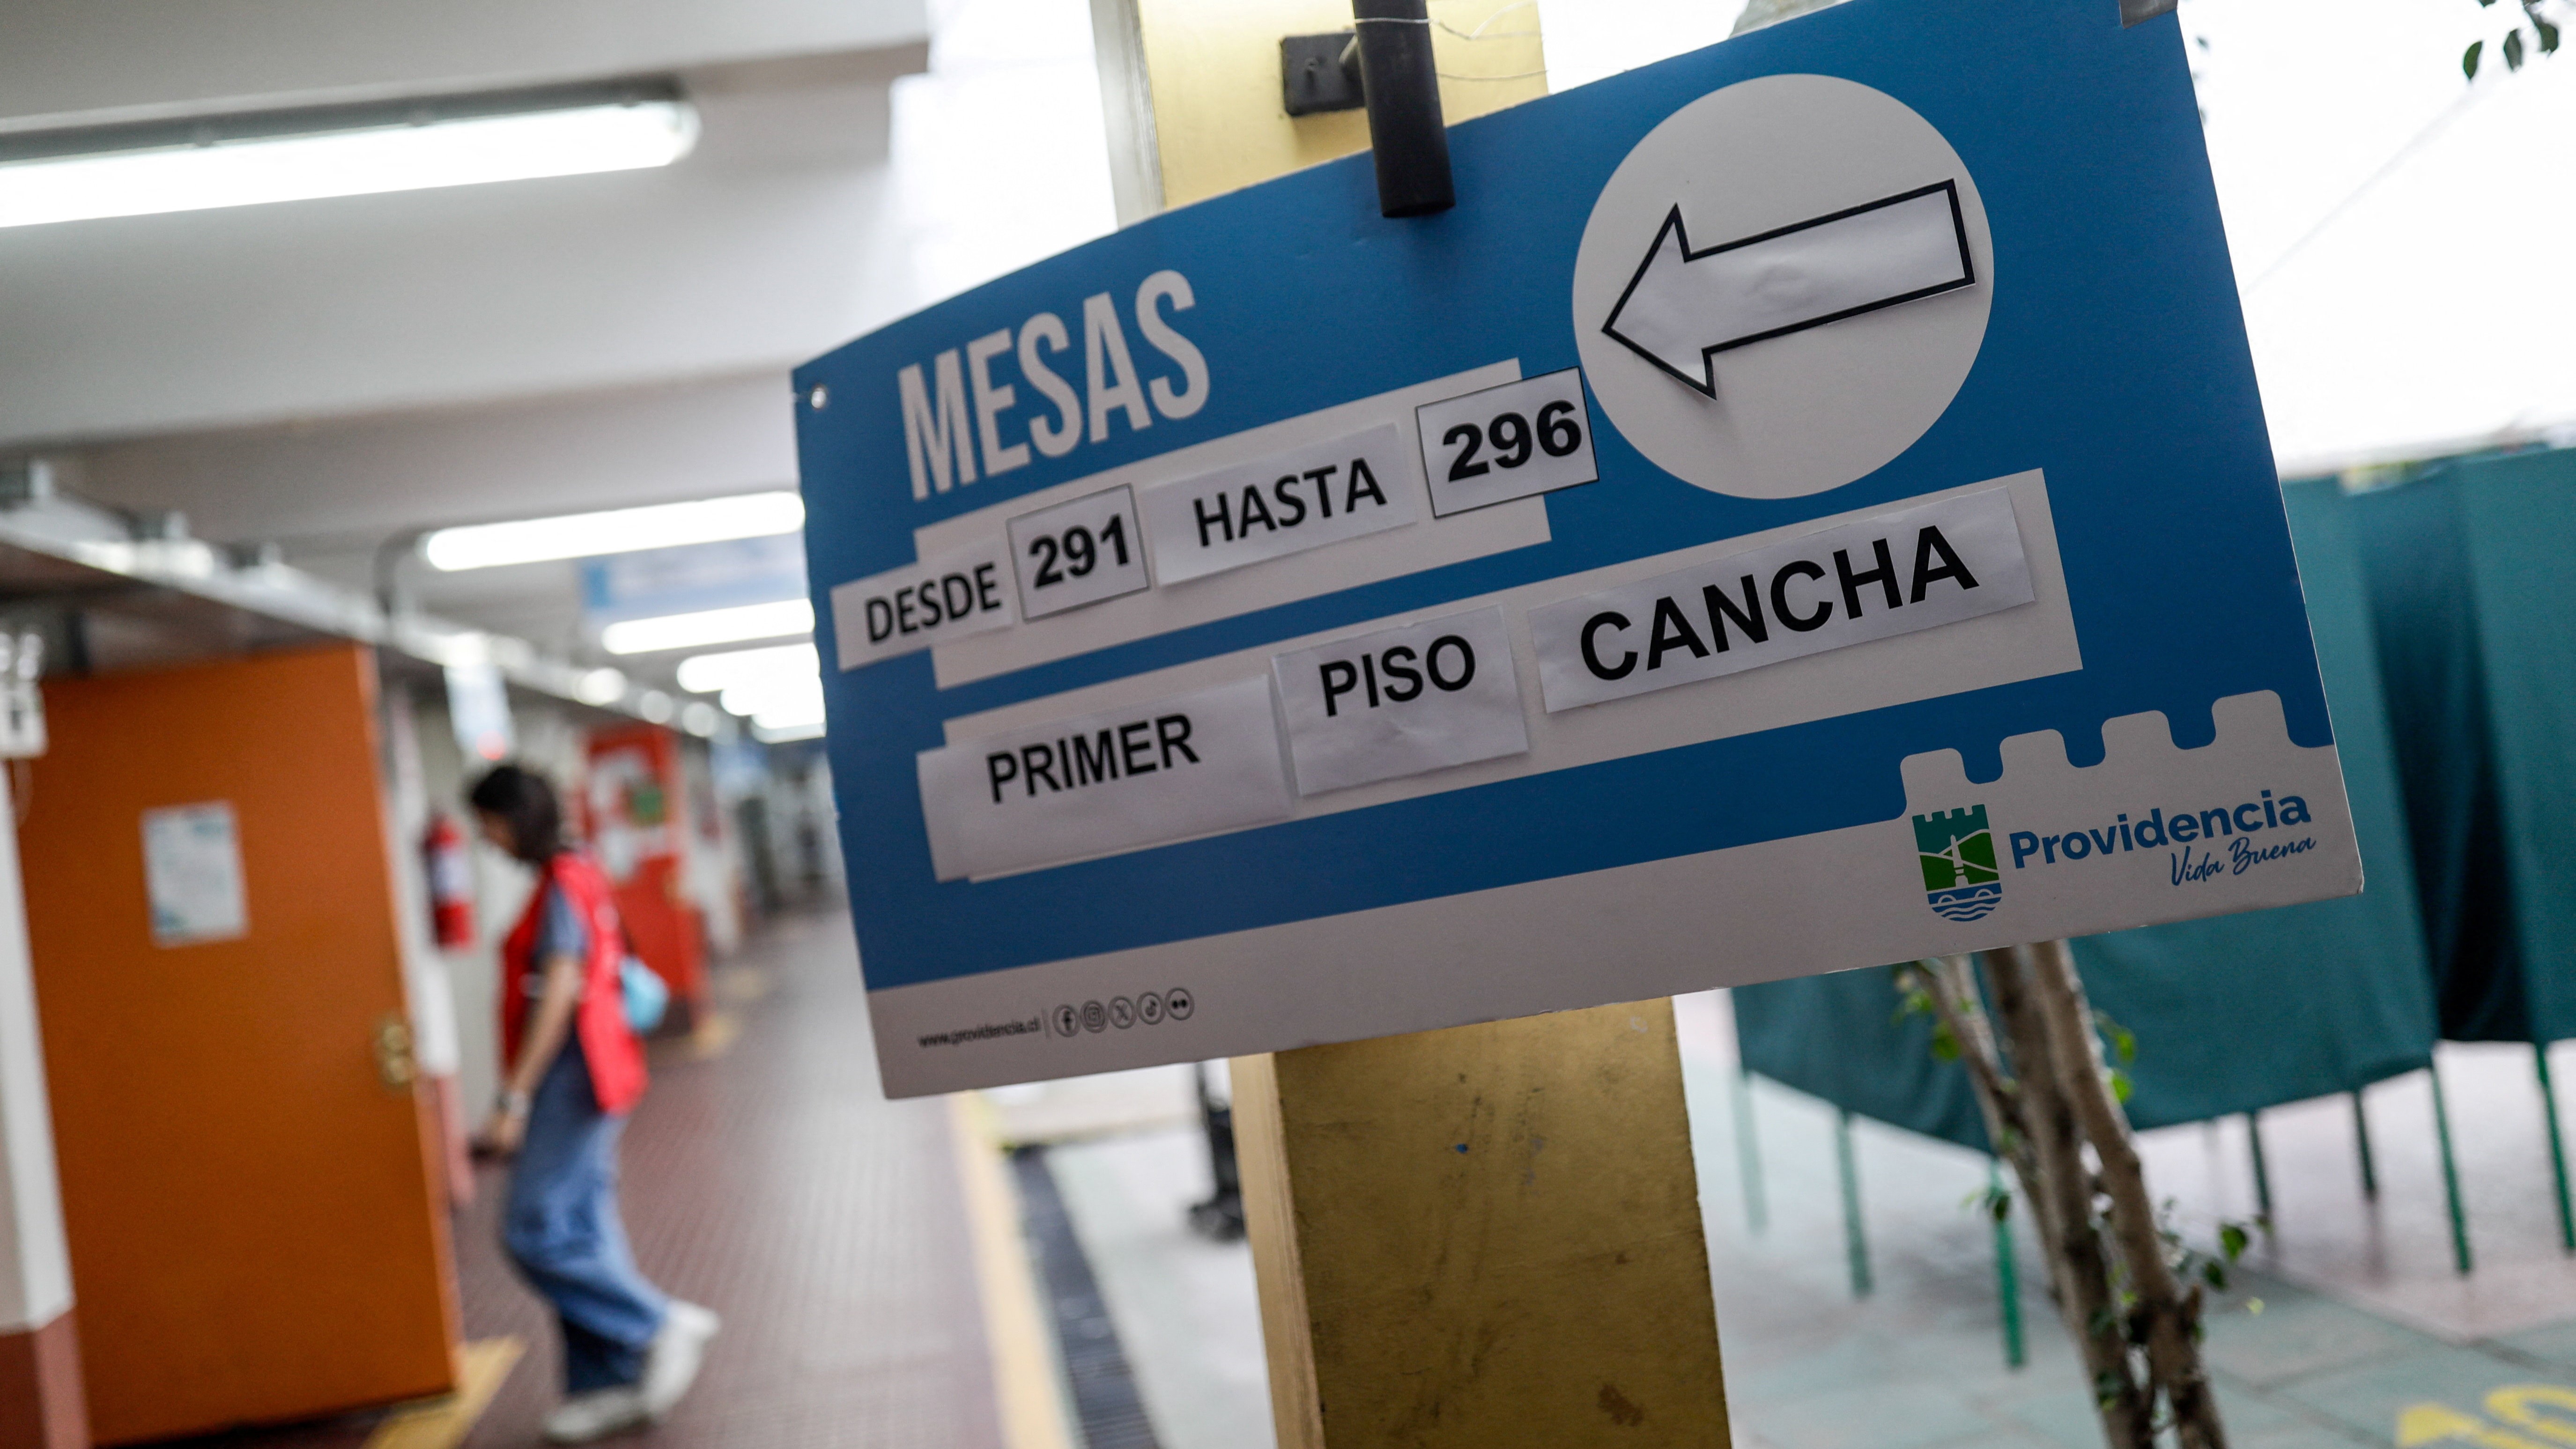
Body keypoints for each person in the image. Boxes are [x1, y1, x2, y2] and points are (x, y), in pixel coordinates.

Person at [469, 764, 718, 1442]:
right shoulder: (578, 873)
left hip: (573, 1077)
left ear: (515, 816)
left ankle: (654, 1323)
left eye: (488, 822)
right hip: (597, 1071)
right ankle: (608, 1383)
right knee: (579, 1226)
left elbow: (560, 990)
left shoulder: (561, 883)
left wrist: (512, 1098)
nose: (485, 838)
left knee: (533, 1228)